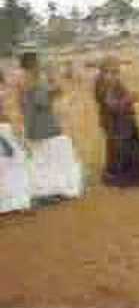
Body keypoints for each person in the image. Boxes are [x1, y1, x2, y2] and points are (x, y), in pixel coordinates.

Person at [18, 51, 84, 204]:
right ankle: (51, 190)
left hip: (37, 125)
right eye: (37, 62)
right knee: (53, 158)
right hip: (44, 126)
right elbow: (43, 101)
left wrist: (53, 86)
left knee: (44, 160)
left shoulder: (28, 80)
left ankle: (48, 190)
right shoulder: (31, 81)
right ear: (33, 64)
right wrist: (53, 84)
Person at [94, 55, 139, 187]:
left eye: (116, 70)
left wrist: (130, 98)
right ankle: (120, 177)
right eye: (113, 70)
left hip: (125, 120)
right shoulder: (102, 84)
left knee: (130, 147)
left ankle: (132, 175)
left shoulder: (115, 82)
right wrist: (129, 99)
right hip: (114, 122)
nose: (116, 73)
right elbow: (111, 105)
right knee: (119, 149)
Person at [0, 69, 31, 213]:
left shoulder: (6, 93)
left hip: (6, 130)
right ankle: (18, 203)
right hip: (5, 130)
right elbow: (10, 115)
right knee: (18, 163)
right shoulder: (5, 93)